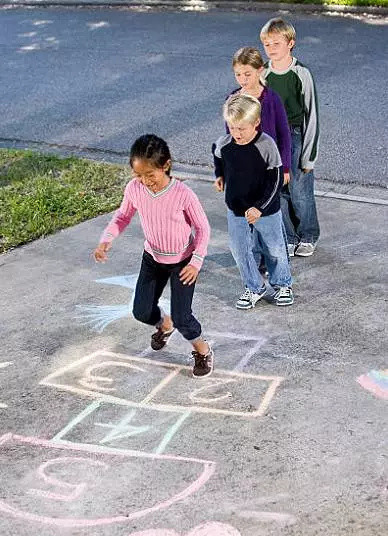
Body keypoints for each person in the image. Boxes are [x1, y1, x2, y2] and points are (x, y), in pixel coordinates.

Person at [94, 134, 214, 378]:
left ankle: (202, 350)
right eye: (139, 175)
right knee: (141, 311)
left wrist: (196, 261)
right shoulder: (135, 189)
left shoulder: (183, 194)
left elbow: (203, 228)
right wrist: (106, 239)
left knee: (183, 317)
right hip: (153, 258)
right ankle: (164, 325)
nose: (145, 181)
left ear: (166, 165)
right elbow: (122, 216)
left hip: (182, 262)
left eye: (151, 174)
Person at [213, 94, 294, 309]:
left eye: (242, 128)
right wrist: (219, 176)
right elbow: (218, 156)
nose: (237, 133)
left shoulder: (267, 145)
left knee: (274, 248)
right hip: (237, 209)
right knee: (240, 250)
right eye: (232, 128)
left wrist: (260, 207)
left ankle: (282, 284)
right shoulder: (225, 144)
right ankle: (254, 287)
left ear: (256, 122)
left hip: (265, 209)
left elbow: (275, 180)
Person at [260, 17, 320, 257]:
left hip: (295, 135)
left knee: (299, 190)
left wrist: (309, 156)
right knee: (278, 189)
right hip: (270, 137)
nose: (271, 49)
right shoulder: (263, 73)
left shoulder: (300, 73)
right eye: (267, 44)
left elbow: (312, 113)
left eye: (276, 43)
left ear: (290, 43)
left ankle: (308, 234)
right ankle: (288, 236)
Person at [227, 46, 291, 184]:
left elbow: (284, 134)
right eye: (238, 74)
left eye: (247, 74)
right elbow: (229, 135)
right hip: (243, 165)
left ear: (260, 70)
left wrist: (285, 167)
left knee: (269, 202)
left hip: (268, 164)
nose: (243, 79)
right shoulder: (232, 100)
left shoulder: (272, 98)